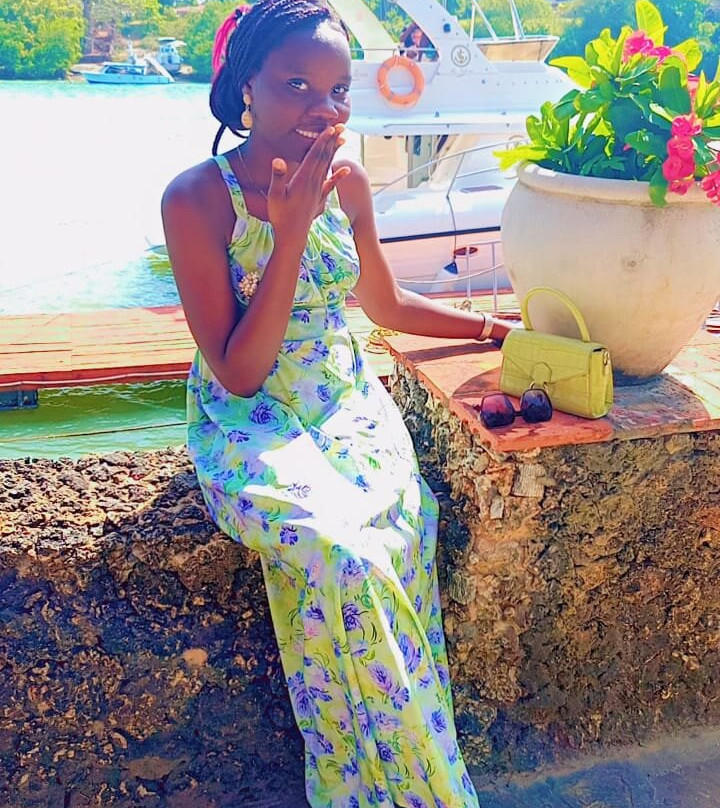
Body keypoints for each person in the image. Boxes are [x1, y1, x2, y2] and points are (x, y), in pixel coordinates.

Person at [161, 1, 511, 806]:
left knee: (402, 531)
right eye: (297, 85)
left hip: (345, 399)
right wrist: (288, 235)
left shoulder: (348, 181)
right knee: (339, 552)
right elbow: (239, 372)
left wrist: (494, 329)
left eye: (339, 90)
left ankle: (396, 784)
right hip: (252, 416)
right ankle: (397, 787)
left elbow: (382, 305)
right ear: (245, 88)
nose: (324, 109)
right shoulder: (196, 199)